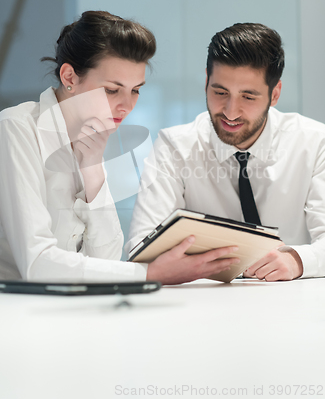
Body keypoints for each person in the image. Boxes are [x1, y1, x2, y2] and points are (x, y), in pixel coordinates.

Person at [0, 10, 239, 284]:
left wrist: (93, 170)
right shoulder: (15, 129)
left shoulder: (93, 138)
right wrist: (150, 273)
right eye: (112, 89)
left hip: (68, 310)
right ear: (69, 77)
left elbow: (106, 261)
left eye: (135, 90)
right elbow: (37, 263)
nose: (127, 105)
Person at [126, 22, 325, 281]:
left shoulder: (315, 142)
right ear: (206, 82)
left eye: (248, 97)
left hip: (294, 305)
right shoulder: (175, 147)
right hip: (203, 306)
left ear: (274, 94)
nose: (231, 112)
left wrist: (298, 261)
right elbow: (141, 250)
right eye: (220, 92)